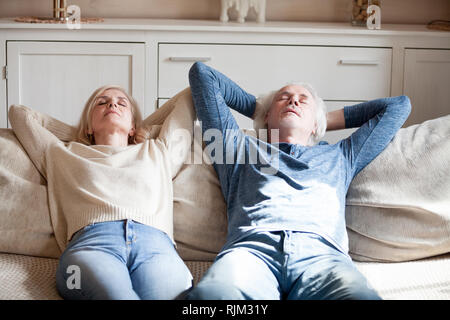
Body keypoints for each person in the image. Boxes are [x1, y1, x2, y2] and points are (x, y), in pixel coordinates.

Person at [185, 62, 411, 300]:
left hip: (322, 256)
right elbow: (203, 75)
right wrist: (261, 110)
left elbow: (398, 106)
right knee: (211, 298)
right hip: (251, 250)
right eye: (283, 98)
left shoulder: (342, 155)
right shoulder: (238, 148)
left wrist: (320, 119)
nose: (293, 101)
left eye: (303, 100)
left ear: (316, 124)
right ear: (266, 116)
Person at [9, 85, 194, 300]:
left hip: (157, 248)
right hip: (91, 247)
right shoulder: (61, 153)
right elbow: (19, 113)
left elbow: (189, 95)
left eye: (121, 103)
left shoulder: (158, 151)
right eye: (102, 102)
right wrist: (78, 133)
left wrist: (141, 127)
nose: (112, 104)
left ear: (133, 126)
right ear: (88, 125)